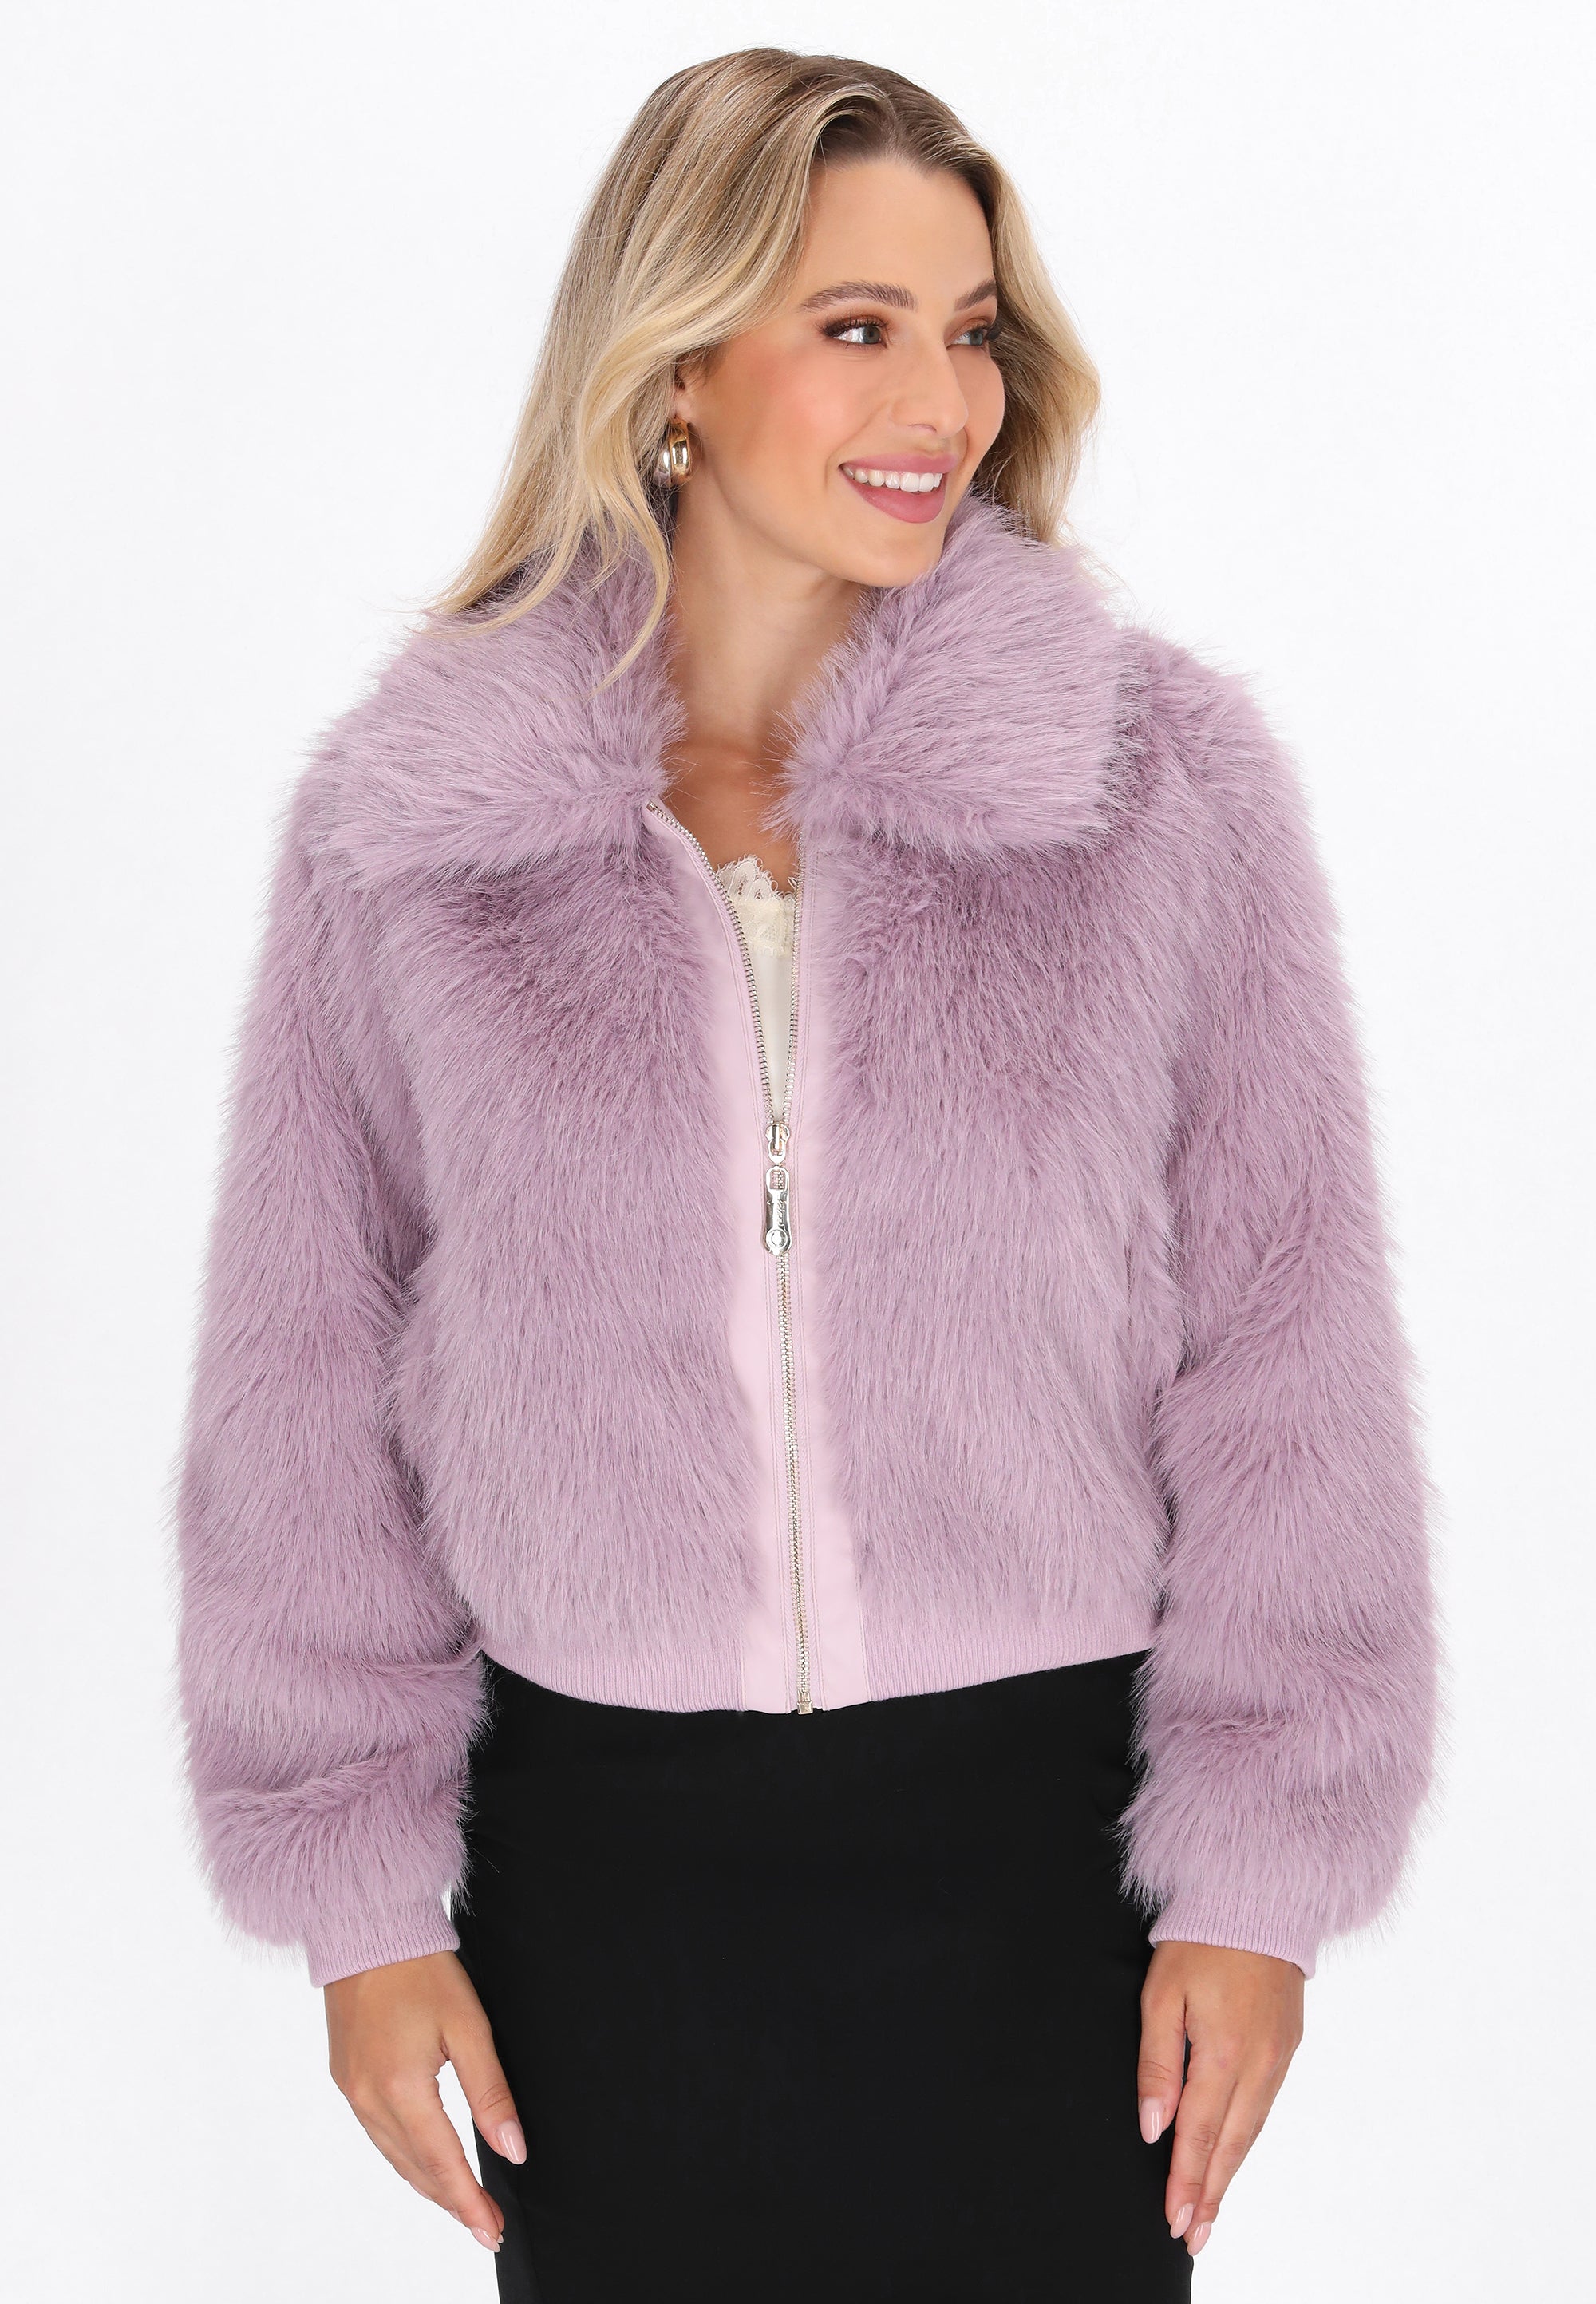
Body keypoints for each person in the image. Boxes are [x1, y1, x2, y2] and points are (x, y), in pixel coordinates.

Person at [172, 46, 1440, 2303]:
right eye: (857, 325)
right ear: (673, 363)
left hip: (1048, 1868)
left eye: (971, 330)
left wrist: (1257, 1879)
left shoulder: (1156, 790)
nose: (938, 401)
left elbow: (1288, 1342)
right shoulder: (420, 831)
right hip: (602, 1888)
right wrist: (361, 1912)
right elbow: (304, 1372)